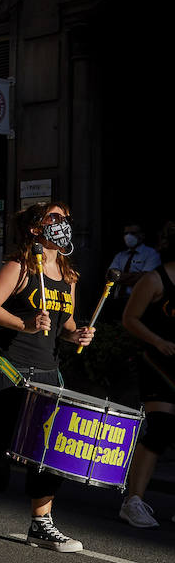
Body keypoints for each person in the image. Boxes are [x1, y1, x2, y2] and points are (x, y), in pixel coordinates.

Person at [0, 201, 93, 553]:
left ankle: (40, 523)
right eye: (55, 218)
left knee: (48, 452)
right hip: (9, 368)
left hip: (47, 372)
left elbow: (66, 325)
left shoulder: (67, 274)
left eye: (66, 218)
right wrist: (23, 324)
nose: (63, 224)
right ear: (35, 228)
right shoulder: (20, 266)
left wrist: (77, 335)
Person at [117, 221, 175, 528]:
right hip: (157, 362)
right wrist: (158, 341)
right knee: (161, 428)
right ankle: (133, 501)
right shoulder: (156, 279)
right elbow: (130, 318)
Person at [109, 223, 161, 300]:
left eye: (133, 233)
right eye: (126, 233)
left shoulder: (151, 254)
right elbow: (110, 275)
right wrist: (135, 276)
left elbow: (146, 278)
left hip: (139, 300)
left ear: (142, 235)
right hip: (118, 299)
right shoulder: (120, 255)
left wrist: (120, 277)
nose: (128, 236)